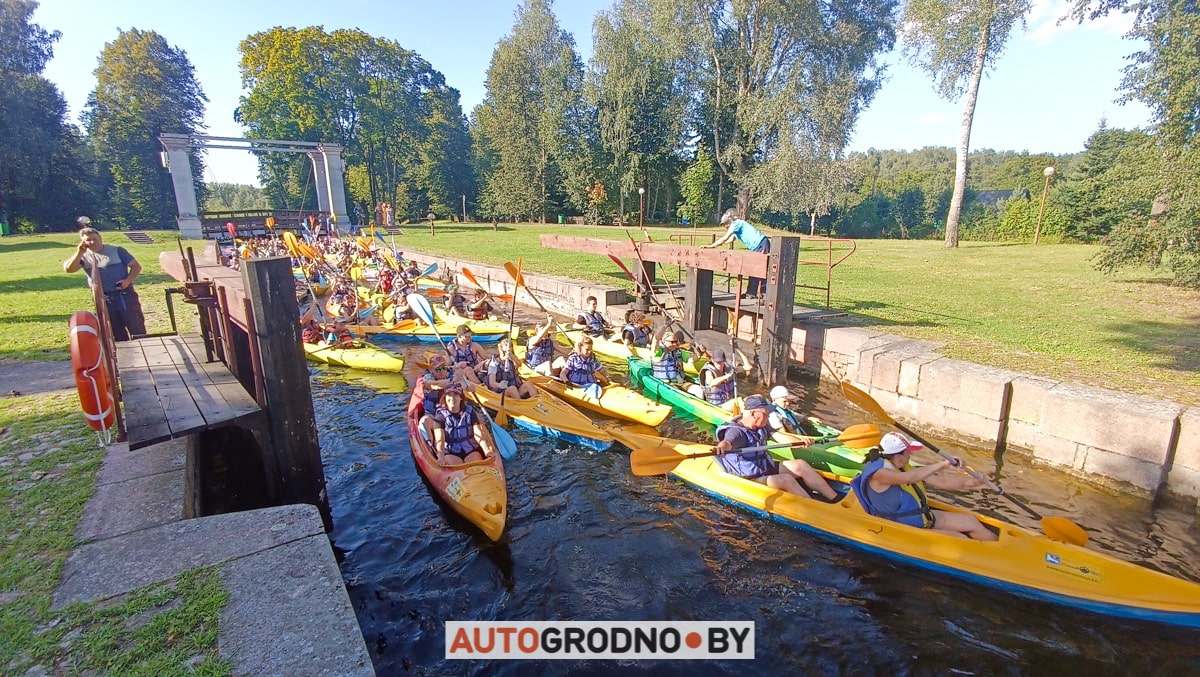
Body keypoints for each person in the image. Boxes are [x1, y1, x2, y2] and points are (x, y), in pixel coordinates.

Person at [851, 432, 998, 541]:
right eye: (908, 453)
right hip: (902, 527)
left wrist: (972, 483)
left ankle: (1000, 553)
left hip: (922, 517)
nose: (910, 456)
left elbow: (942, 483)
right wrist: (943, 464)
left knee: (971, 521)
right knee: (960, 539)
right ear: (898, 456)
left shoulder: (902, 465)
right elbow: (908, 478)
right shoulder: (880, 474)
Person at [714, 395, 838, 500]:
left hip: (764, 468)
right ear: (753, 413)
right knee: (785, 479)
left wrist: (801, 442)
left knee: (800, 465)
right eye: (766, 414)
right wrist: (721, 448)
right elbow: (727, 443)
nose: (768, 417)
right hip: (750, 478)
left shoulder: (761, 426)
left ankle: (834, 498)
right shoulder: (737, 432)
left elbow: (781, 437)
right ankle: (813, 507)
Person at [62, 223, 147, 341]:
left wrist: (127, 281)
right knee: (115, 331)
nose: (92, 242)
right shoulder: (84, 257)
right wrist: (79, 252)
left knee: (136, 327)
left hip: (124, 295)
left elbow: (136, 266)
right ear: (83, 242)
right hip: (103, 297)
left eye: (94, 239)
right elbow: (69, 269)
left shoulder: (116, 251)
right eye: (88, 240)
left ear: (100, 238)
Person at [421, 384, 497, 465]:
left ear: (461, 397)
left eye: (455, 395)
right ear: (445, 398)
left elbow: (479, 433)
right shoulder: (440, 417)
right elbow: (440, 440)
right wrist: (441, 457)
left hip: (470, 450)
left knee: (476, 463)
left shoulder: (470, 413)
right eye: (449, 395)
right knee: (456, 464)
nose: (452, 398)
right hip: (451, 452)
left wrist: (487, 451)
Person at [701, 208, 770, 298]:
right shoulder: (737, 228)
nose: (726, 226)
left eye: (726, 223)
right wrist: (718, 245)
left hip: (761, 244)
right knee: (753, 269)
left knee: (761, 269)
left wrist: (711, 246)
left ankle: (765, 295)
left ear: (730, 220)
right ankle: (751, 293)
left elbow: (725, 238)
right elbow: (730, 239)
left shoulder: (736, 223)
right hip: (757, 246)